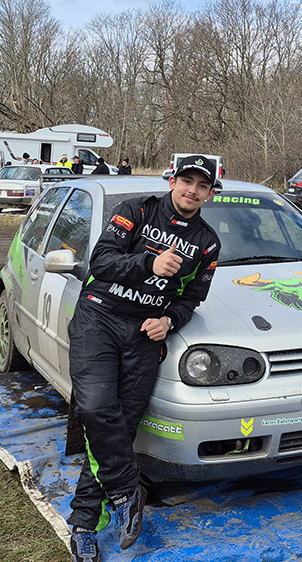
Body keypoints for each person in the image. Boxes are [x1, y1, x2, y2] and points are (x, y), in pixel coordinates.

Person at [65, 155, 221, 562]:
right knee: (95, 409)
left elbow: (192, 298)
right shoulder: (136, 210)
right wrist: (149, 263)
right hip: (98, 318)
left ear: (210, 193)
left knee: (119, 428)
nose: (192, 190)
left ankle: (84, 526)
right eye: (186, 181)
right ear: (173, 181)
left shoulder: (207, 243)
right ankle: (125, 491)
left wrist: (169, 320)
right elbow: (100, 262)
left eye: (202, 185)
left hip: (144, 334)